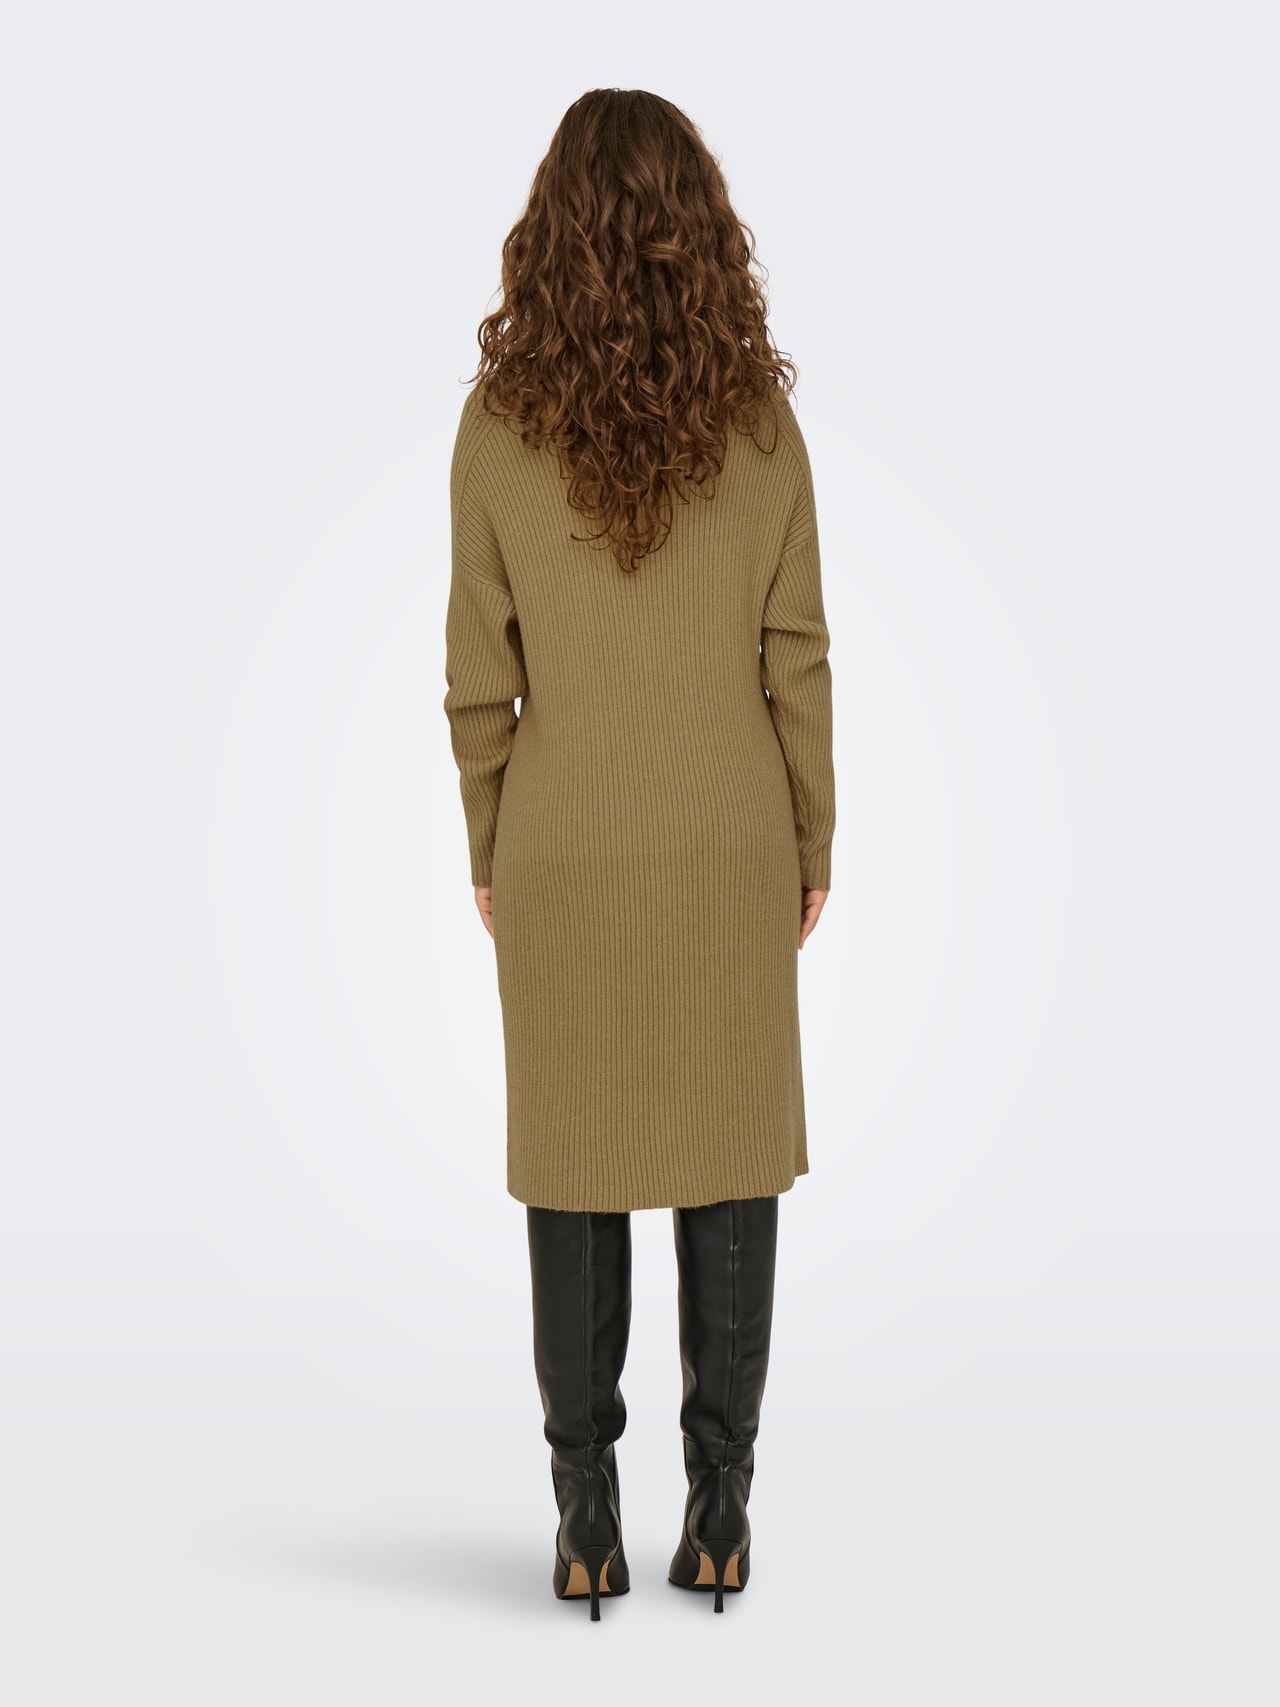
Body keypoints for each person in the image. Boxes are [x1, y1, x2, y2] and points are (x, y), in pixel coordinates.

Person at [443, 88, 835, 1621]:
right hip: (727, 836)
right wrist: (812, 834)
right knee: (729, 1151)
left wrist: (491, 836)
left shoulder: (496, 432)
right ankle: (720, 1511)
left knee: (577, 1157)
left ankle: (585, 1523)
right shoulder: (763, 429)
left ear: (547, 237)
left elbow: (480, 682)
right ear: (706, 233)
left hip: (564, 844)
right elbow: (796, 660)